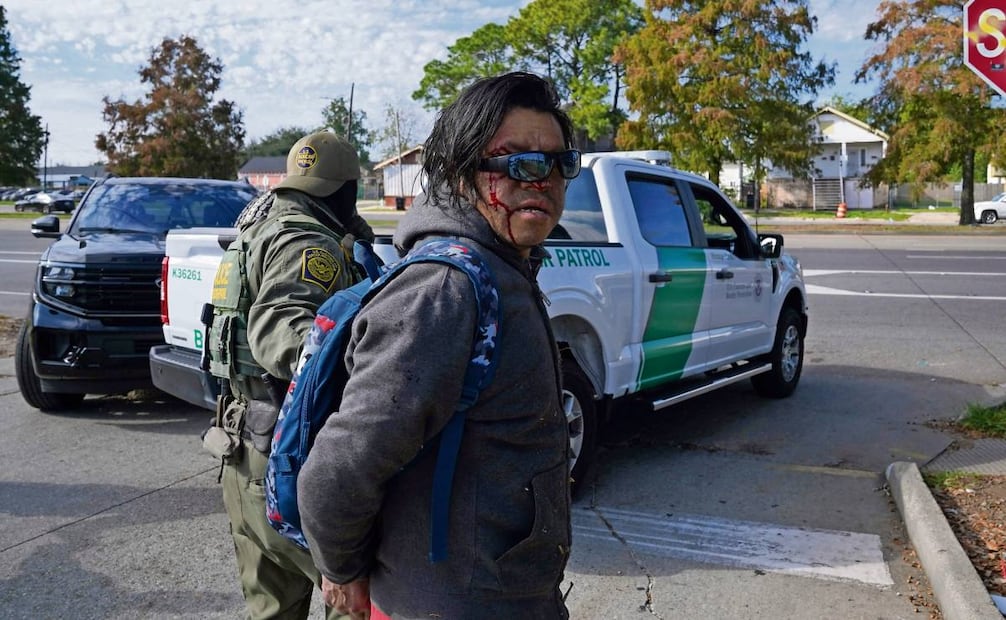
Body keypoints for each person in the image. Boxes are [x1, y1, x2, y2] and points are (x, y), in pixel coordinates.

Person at [297, 71, 578, 619]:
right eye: (517, 161)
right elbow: (339, 469)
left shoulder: (505, 266)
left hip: (502, 593)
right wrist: (343, 568)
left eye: (559, 163)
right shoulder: (444, 290)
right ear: (458, 171)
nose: (542, 179)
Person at [207, 131, 374, 619]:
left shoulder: (258, 229)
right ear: (345, 190)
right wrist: (363, 364)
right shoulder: (309, 241)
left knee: (272, 609)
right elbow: (281, 327)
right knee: (353, 604)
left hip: (239, 447)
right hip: (285, 457)